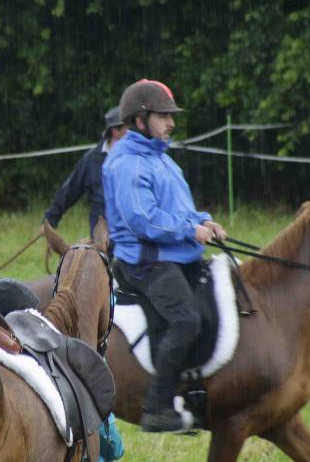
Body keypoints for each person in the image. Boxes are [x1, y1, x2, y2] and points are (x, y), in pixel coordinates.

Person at [102, 79, 227, 433]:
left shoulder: (162, 159)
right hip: (145, 262)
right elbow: (143, 220)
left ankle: (197, 395)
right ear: (140, 120)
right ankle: (158, 407)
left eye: (171, 116)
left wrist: (203, 220)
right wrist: (189, 229)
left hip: (175, 256)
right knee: (186, 320)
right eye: (163, 116)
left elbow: (179, 209)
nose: (171, 123)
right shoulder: (127, 163)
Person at [44, 106, 128, 237]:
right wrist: (50, 219)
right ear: (115, 131)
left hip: (130, 234)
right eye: (129, 128)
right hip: (101, 235)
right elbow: (71, 188)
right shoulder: (91, 160)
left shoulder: (137, 158)